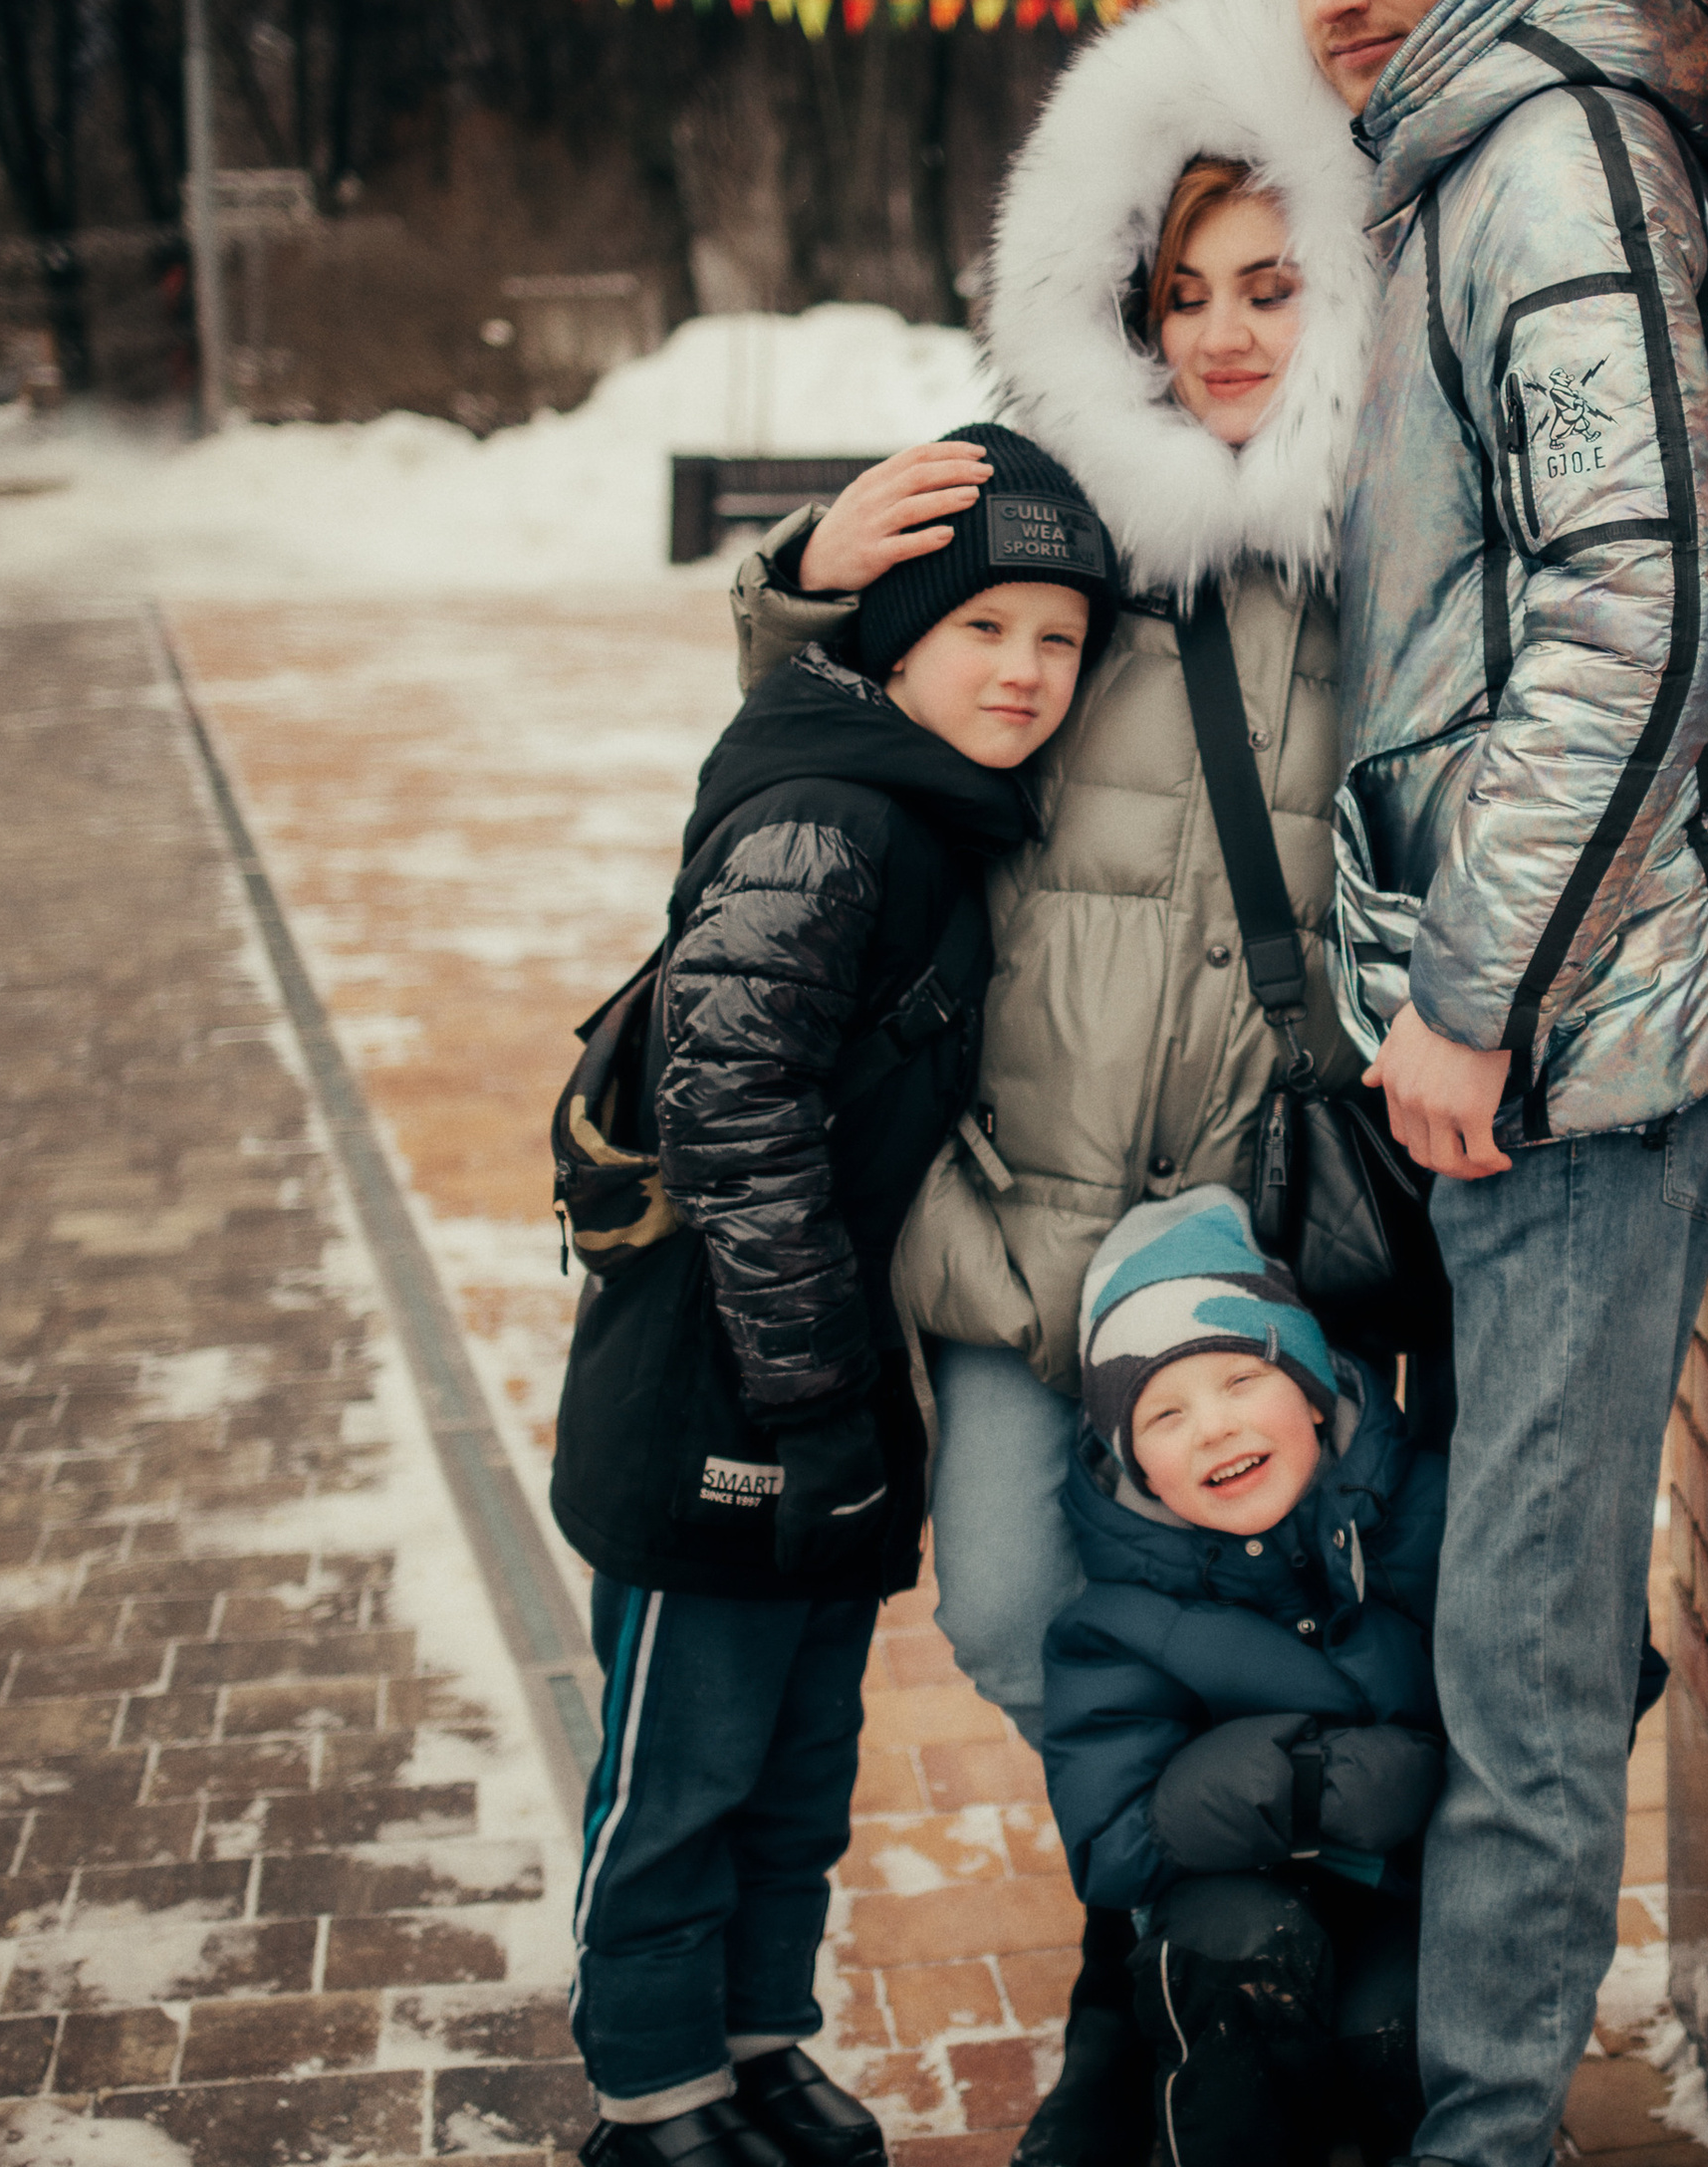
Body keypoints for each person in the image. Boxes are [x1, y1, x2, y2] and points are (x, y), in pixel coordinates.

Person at [729, 0, 1376, 2164]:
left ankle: (1172, 1979)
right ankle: (1170, 1918)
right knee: (1015, 1604)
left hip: (1249, 1228)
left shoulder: (1375, 538)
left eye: (1268, 284)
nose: (1223, 333)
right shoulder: (1055, 515)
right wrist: (796, 582)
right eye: (1181, 291)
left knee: (1266, 1592)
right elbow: (834, 706)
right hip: (1014, 1216)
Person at [1273, 0, 1708, 2167]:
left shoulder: (1557, 157)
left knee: (1524, 1642)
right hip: (1480, 1033)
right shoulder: (1448, 174)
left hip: (1562, 1050)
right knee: (1494, 1610)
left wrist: (1472, 997)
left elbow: (1635, 611)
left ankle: (1479, 2138)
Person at [559, 437, 1117, 2167]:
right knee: (681, 1772)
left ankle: (756, 2041)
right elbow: (731, 1111)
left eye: (1059, 639)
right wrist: (808, 1404)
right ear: (892, 642)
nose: (1024, 671)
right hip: (714, 1391)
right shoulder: (833, 819)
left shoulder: (929, 808)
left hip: (824, 1382)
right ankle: (654, 2094)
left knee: (798, 1765)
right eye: (983, 630)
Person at [1041, 1186, 1448, 2167]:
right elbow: (1110, 1842)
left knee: (1395, 2028)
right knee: (1233, 1959)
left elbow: (1578, 1677)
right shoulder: (1116, 1622)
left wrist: (1429, 1769)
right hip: (1230, 1901)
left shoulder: (1420, 1511)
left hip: (1408, 1894)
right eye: (1163, 1413)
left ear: (1310, 1390)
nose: (1213, 1428)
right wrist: (1297, 1782)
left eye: (1240, 1378)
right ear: (1135, 1465)